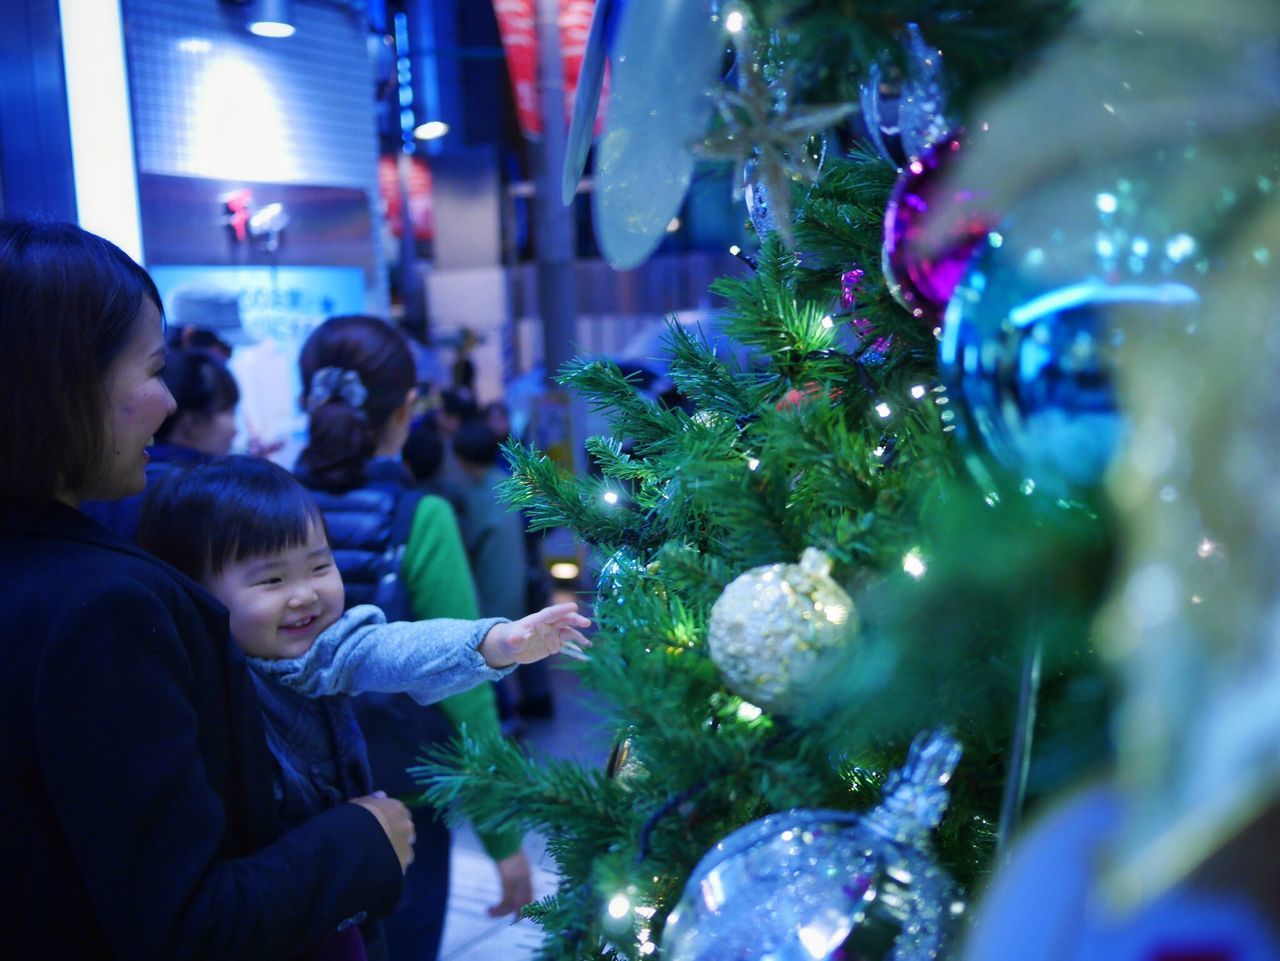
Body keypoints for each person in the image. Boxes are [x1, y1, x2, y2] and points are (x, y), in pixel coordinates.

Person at [0, 220, 412, 959]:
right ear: (61, 383)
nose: (167, 402)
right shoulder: (101, 611)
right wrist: (361, 839)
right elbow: (186, 924)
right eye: (153, 370)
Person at [137, 456, 591, 958]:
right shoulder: (187, 690)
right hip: (266, 912)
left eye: (319, 565)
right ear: (195, 593)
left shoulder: (324, 651)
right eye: (271, 581)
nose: (305, 595)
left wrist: (496, 642)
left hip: (335, 899)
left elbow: (393, 647)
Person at [295, 314, 537, 961]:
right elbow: (468, 694)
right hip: (401, 811)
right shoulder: (421, 517)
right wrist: (504, 840)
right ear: (406, 409)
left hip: (290, 814)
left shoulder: (264, 512)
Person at [453, 420, 556, 722]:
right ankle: (537, 701)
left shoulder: (475, 496)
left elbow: (468, 543)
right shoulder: (506, 480)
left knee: (489, 650)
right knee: (527, 641)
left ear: (462, 458)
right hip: (523, 578)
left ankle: (506, 718)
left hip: (492, 588)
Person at [82, 347, 241, 540]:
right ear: (193, 423)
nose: (235, 429)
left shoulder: (106, 476)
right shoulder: (198, 494)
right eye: (228, 411)